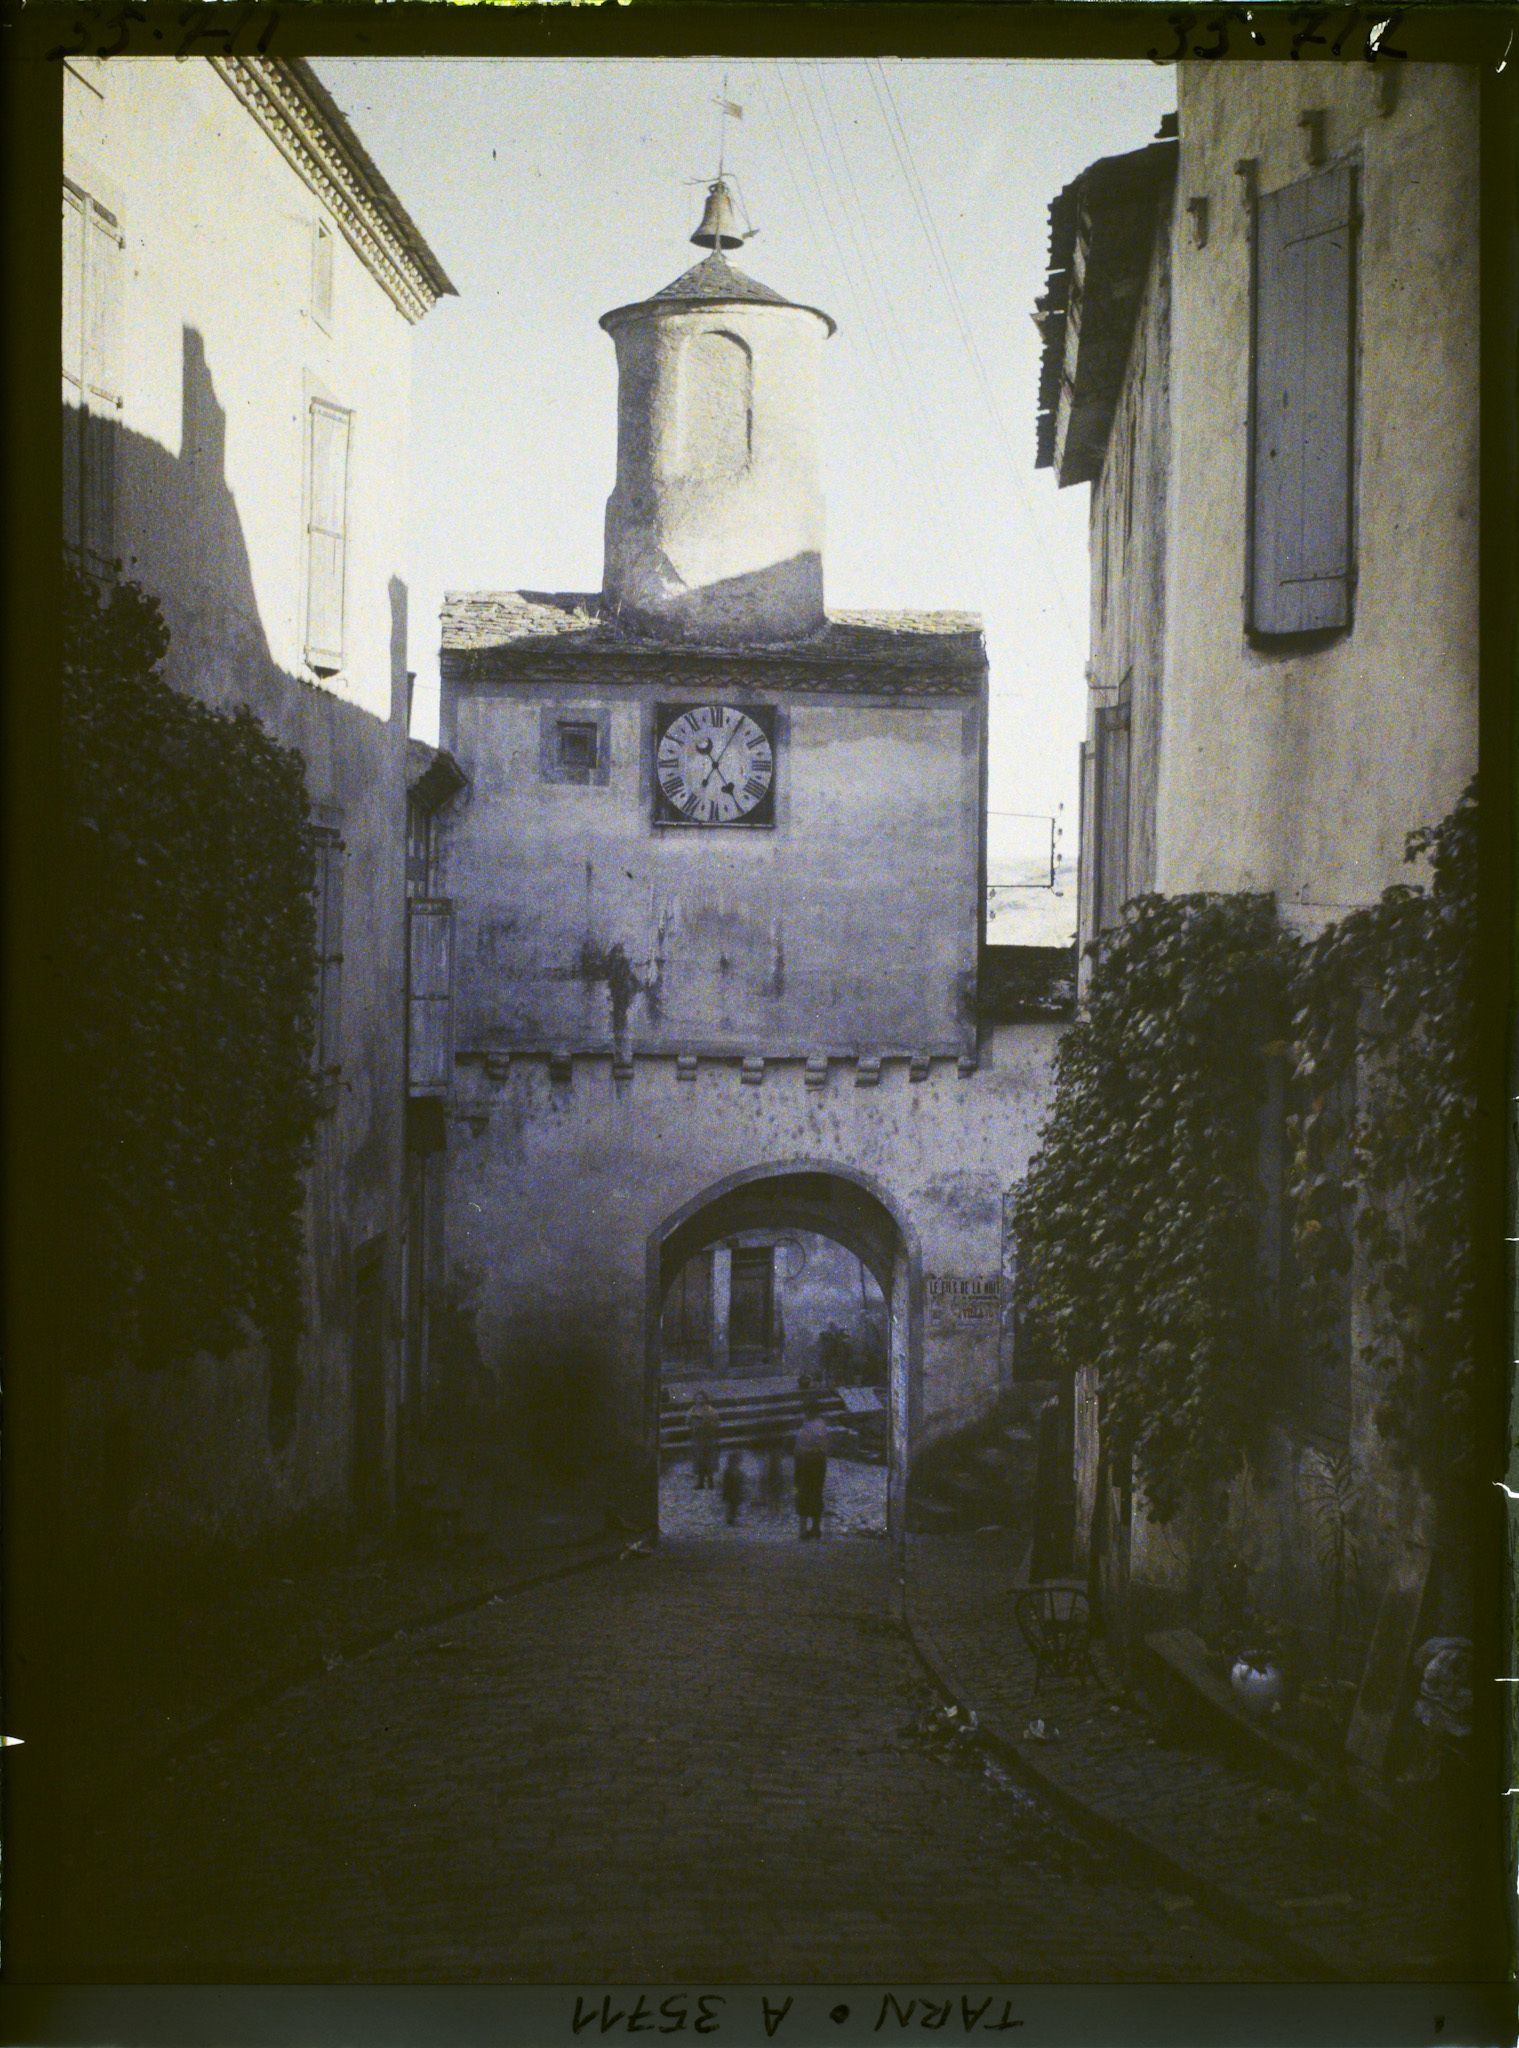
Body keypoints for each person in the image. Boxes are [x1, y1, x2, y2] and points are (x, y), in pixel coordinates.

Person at [793, 1398, 830, 1541]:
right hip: (805, 1464)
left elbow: (822, 1449)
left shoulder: (818, 1426)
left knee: (810, 1494)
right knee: (807, 1495)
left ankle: (813, 1528)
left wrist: (804, 1451)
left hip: (812, 1465)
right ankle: (807, 1529)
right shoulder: (807, 1423)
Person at [690, 1391, 719, 1491]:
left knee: (709, 1460)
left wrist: (708, 1422)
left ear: (705, 1399)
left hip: (709, 1437)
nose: (700, 1400)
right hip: (697, 1438)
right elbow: (687, 1421)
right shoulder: (693, 1410)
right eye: (698, 1398)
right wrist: (693, 1422)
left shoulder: (711, 1411)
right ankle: (700, 1482)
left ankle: (710, 1481)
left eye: (702, 1398)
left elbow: (717, 1423)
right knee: (699, 1460)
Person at [720, 1447, 747, 1527]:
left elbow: (741, 1480)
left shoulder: (737, 1471)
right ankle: (731, 1519)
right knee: (732, 1505)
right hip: (731, 1492)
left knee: (734, 1505)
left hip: (736, 1492)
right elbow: (726, 1483)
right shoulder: (729, 1471)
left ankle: (732, 1519)